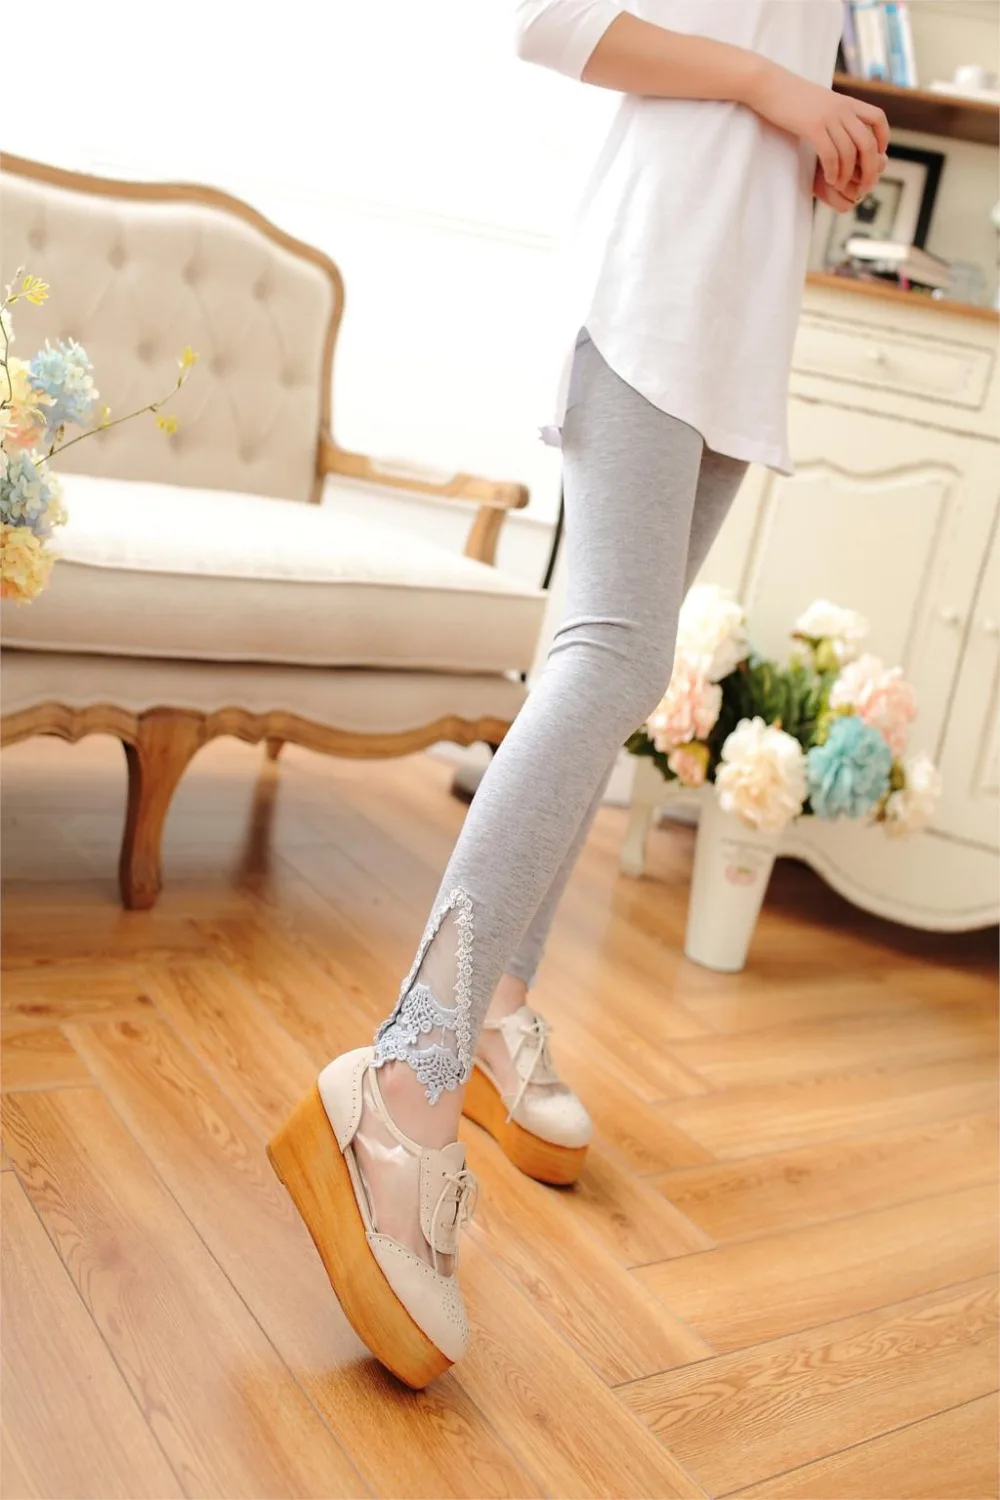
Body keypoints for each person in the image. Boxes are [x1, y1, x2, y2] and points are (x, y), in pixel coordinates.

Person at [267, 0, 889, 1390]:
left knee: (606, 669)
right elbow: (552, 23)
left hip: (738, 310)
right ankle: (406, 1082)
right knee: (613, 658)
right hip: (658, 282)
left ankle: (492, 1013)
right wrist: (776, 90)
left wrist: (816, 119)